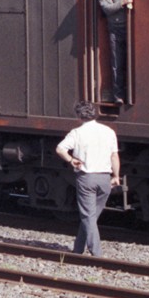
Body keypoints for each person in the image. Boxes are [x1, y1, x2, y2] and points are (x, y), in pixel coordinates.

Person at [55, 100, 121, 257]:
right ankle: (78, 249)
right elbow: (114, 156)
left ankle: (96, 254)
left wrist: (71, 160)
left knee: (88, 217)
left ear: (79, 116)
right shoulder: (109, 131)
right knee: (91, 217)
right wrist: (116, 176)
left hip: (87, 179)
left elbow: (60, 149)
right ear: (94, 113)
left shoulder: (77, 133)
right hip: (105, 179)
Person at [93, 0, 133, 104]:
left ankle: (132, 94)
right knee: (117, 63)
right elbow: (106, 9)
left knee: (131, 61)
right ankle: (119, 96)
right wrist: (123, 2)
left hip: (130, 28)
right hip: (114, 30)